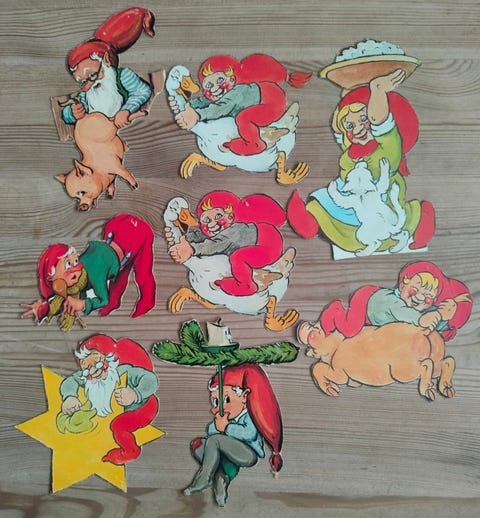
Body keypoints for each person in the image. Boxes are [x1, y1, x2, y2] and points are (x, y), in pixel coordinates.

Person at [287, 69, 435, 252]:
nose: (357, 130)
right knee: (327, 208)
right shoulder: (351, 150)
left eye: (364, 119)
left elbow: (380, 122)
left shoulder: (387, 147)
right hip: (353, 198)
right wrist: (346, 98)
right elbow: (339, 131)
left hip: (381, 198)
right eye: (350, 126)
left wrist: (377, 90)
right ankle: (313, 220)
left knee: (399, 220)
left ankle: (420, 222)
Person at [21, 214, 156, 330]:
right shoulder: (75, 280)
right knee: (118, 276)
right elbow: (63, 297)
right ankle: (114, 302)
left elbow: (104, 300)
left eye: (72, 263)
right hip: (115, 228)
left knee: (142, 276)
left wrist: (84, 304)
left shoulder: (95, 277)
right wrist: (43, 309)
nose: (74, 269)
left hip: (139, 235)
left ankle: (146, 304)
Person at [184, 364, 283, 507]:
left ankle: (204, 478)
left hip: (247, 453)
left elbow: (249, 434)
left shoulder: (250, 416)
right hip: (227, 452)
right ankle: (220, 478)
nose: (219, 407)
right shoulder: (227, 417)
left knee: (215, 441)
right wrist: (220, 425)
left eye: (227, 400)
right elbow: (211, 429)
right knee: (199, 445)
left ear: (244, 396)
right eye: (216, 402)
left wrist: (226, 427)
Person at [172, 54, 311, 155]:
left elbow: (220, 107)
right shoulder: (224, 93)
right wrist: (187, 105)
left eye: (220, 81)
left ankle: (255, 144)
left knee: (243, 118)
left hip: (272, 102)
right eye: (209, 85)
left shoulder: (237, 93)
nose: (215, 88)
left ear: (232, 79)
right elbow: (208, 101)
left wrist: (197, 115)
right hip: (265, 97)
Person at [59, 335, 158, 465]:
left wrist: (135, 394)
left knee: (118, 426)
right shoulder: (87, 378)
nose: (94, 371)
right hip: (111, 414)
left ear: (108, 359)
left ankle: (131, 451)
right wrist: (69, 396)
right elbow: (70, 381)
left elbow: (151, 379)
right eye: (87, 369)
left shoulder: (123, 372)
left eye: (98, 364)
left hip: (142, 408)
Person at [166, 191, 286, 296]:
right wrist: (184, 238)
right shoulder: (220, 230)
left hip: (269, 246)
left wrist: (191, 249)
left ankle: (246, 286)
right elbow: (203, 236)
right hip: (262, 238)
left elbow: (216, 244)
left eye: (218, 216)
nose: (212, 224)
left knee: (237, 257)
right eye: (206, 220)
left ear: (230, 217)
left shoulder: (234, 230)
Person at [319, 261, 472, 341]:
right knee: (349, 329)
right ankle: (336, 310)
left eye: (427, 297)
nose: (419, 297)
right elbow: (407, 315)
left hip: (379, 321)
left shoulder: (421, 311)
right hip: (365, 301)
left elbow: (430, 323)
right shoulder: (394, 302)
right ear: (403, 284)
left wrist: (445, 318)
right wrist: (429, 317)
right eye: (414, 290)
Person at [61, 7, 154, 128]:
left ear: (106, 60)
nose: (90, 84)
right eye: (83, 82)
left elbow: (143, 91)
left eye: (92, 75)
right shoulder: (88, 92)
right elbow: (68, 114)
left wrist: (126, 110)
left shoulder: (123, 76)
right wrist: (71, 113)